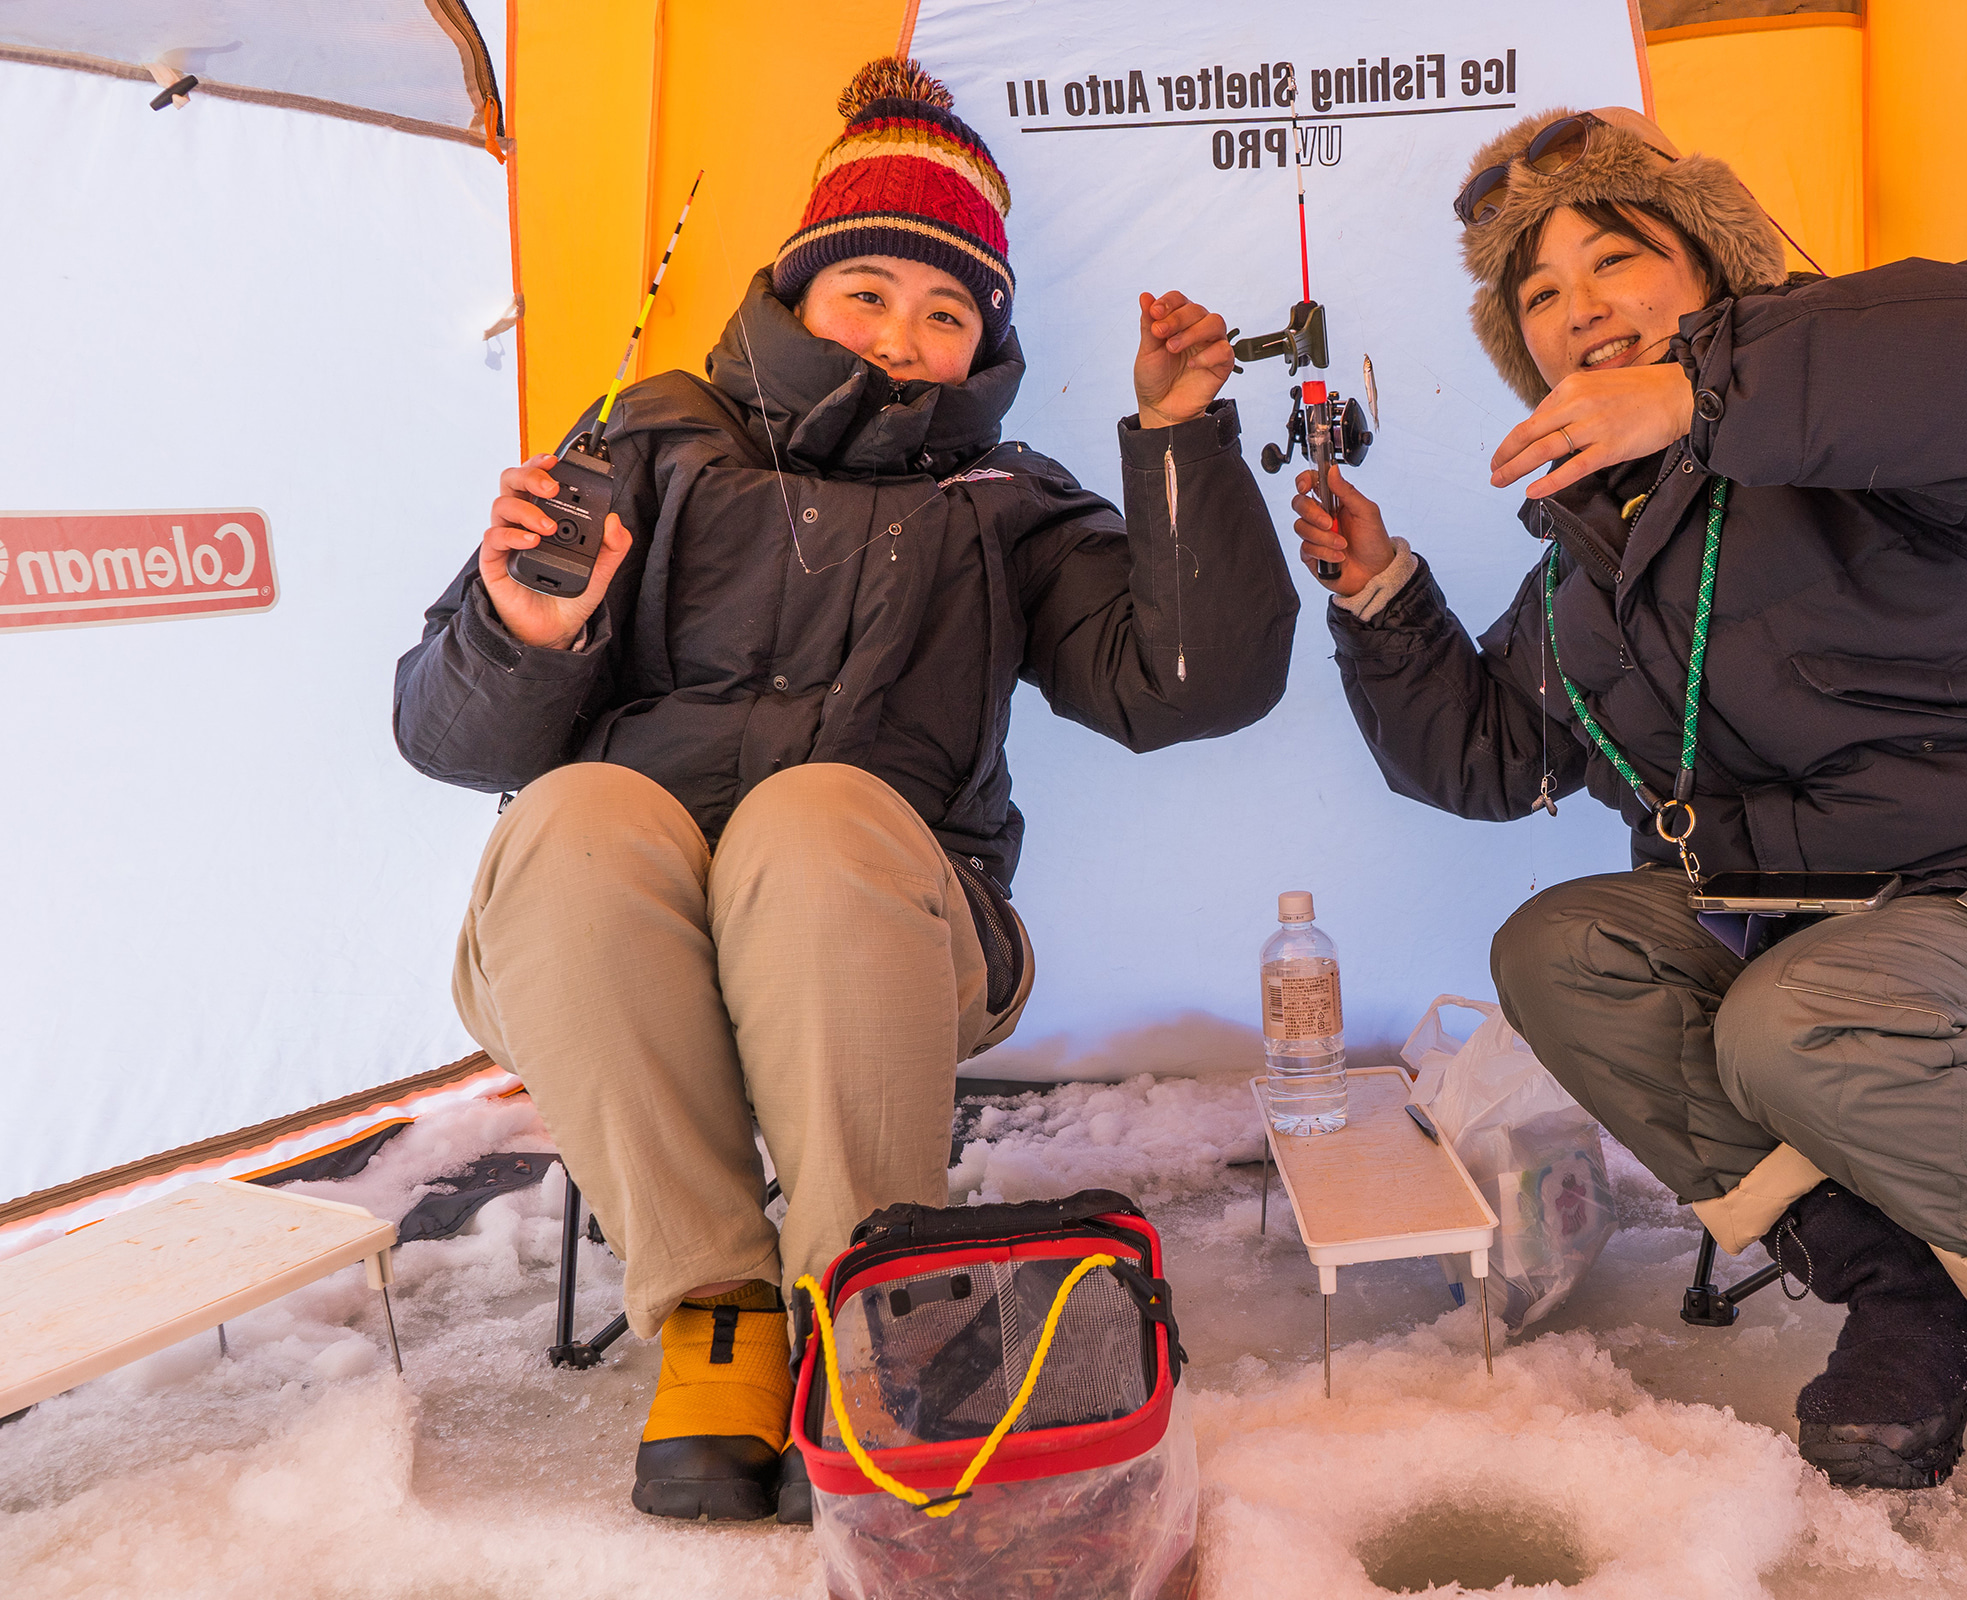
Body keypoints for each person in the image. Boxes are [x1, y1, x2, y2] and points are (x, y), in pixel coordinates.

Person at [1287, 105, 1967, 1552]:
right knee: (1562, 947)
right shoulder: (1595, 558)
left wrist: (1700, 394)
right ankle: (1906, 1291)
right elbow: (1485, 758)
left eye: (1616, 258)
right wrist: (1380, 589)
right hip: (1819, 936)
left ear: (1713, 271)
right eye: (1538, 294)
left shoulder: (1871, 414)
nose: (1579, 305)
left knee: (1799, 1018)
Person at [394, 58, 1296, 1523]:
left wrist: (1183, 438)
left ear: (984, 344)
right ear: (799, 290)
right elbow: (450, 739)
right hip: (607, 930)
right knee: (572, 814)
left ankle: (863, 1303)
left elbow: (1193, 683)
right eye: (868, 292)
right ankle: (717, 1320)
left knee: (811, 816)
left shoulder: (1005, 503)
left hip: (890, 922)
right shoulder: (645, 444)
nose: (903, 335)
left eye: (948, 312)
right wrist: (522, 632)